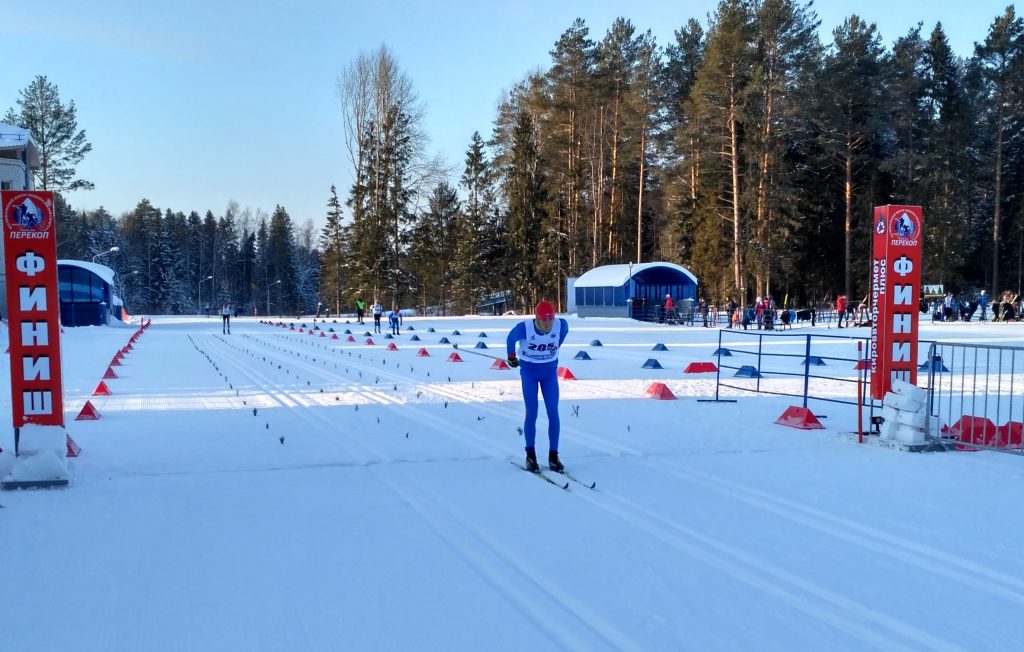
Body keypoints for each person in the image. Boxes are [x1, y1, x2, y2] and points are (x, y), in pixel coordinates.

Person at [506, 300, 569, 473]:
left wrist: (553, 349)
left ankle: (553, 456)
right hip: (529, 372)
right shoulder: (524, 328)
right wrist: (511, 357)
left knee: (553, 412)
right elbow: (510, 338)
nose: (547, 323)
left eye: (550, 319)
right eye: (543, 320)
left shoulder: (561, 325)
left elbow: (561, 337)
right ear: (537, 318)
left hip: (549, 372)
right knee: (531, 412)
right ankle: (531, 455)